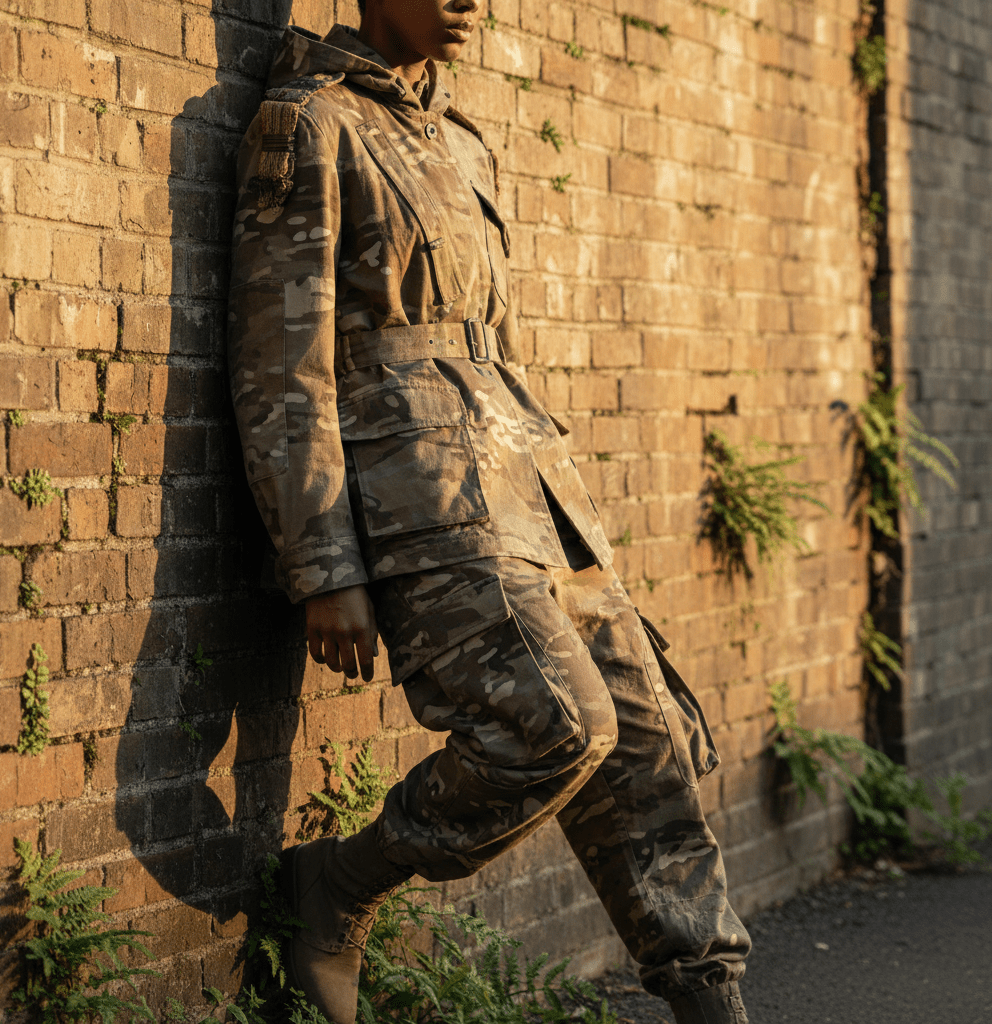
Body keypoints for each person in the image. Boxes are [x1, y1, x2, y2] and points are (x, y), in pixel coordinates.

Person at [226, 1, 752, 1022]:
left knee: (649, 741)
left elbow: (493, 345)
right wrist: (324, 563)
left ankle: (708, 997)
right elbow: (280, 364)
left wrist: (555, 499)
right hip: (417, 494)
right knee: (557, 725)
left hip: (530, 488)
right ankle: (338, 886)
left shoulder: (460, 139)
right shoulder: (312, 122)